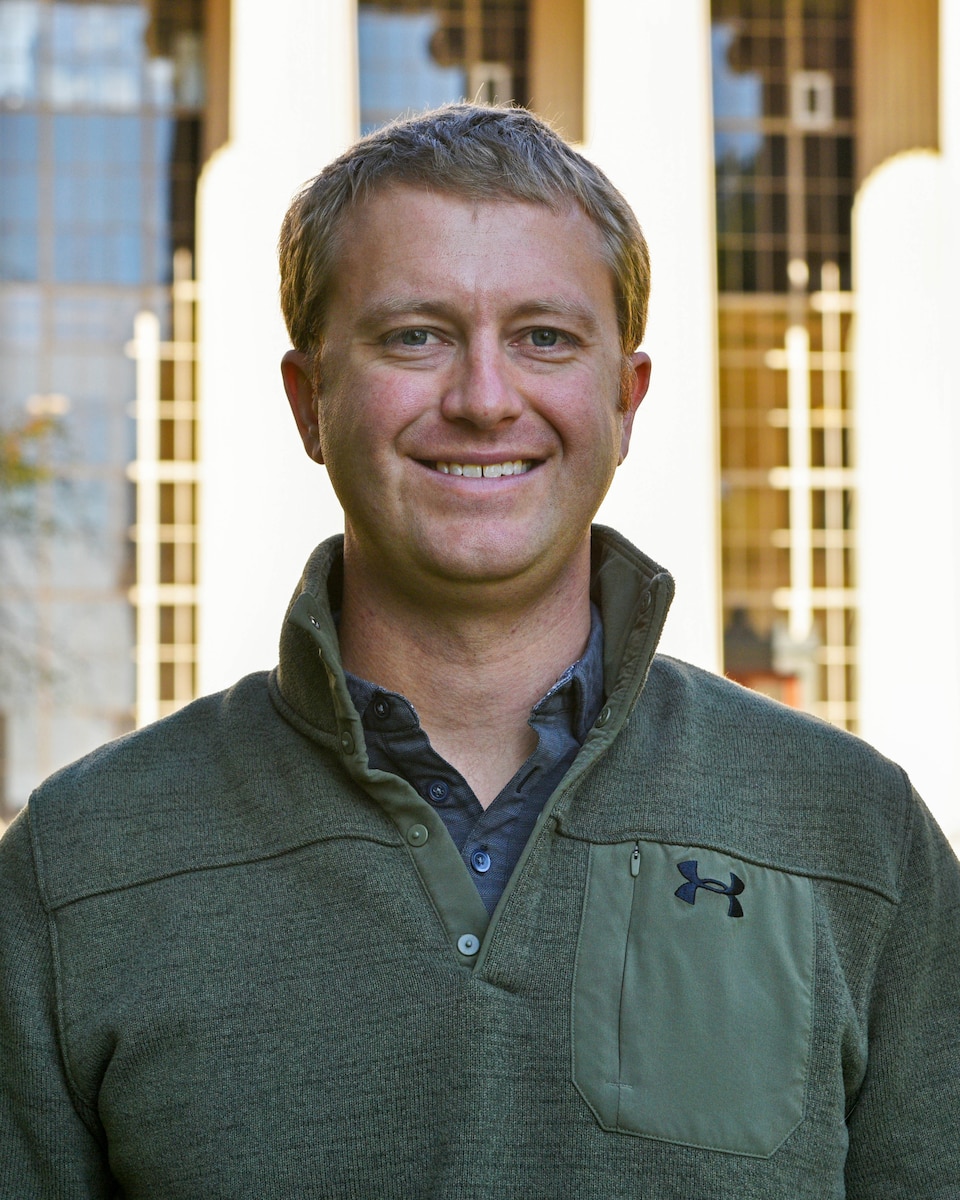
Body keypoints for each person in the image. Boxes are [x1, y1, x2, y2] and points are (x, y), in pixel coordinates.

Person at [1, 103, 958, 1199]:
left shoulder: (857, 838)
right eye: (416, 336)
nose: (485, 399)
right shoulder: (79, 868)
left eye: (545, 337)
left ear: (625, 399)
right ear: (309, 402)